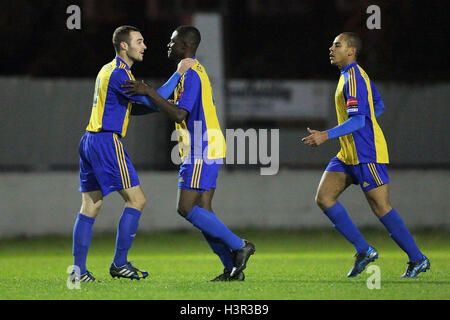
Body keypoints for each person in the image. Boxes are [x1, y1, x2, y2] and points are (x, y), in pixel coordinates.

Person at [122, 25, 255, 281]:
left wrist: (149, 91)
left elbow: (180, 113)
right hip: (208, 144)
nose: (168, 46)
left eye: (173, 42)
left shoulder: (191, 73)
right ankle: (231, 269)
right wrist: (145, 102)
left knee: (185, 208)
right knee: (204, 211)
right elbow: (176, 107)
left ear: (185, 45)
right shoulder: (189, 73)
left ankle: (240, 246)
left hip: (201, 147)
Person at [71, 25, 195, 282]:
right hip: (107, 141)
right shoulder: (119, 73)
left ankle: (78, 271)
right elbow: (154, 96)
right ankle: (120, 263)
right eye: (139, 41)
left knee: (90, 205)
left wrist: (158, 105)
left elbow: (135, 108)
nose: (144, 46)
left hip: (89, 140)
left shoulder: (108, 69)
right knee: (137, 200)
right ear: (124, 46)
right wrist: (178, 74)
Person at [302, 32, 430, 278]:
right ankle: (364, 250)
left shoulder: (354, 79)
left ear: (351, 51)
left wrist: (325, 135)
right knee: (324, 197)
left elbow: (360, 119)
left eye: (337, 45)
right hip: (347, 153)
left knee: (381, 207)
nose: (331, 48)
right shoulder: (350, 76)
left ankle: (418, 259)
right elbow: (377, 106)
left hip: (366, 153)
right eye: (331, 44)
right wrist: (361, 126)